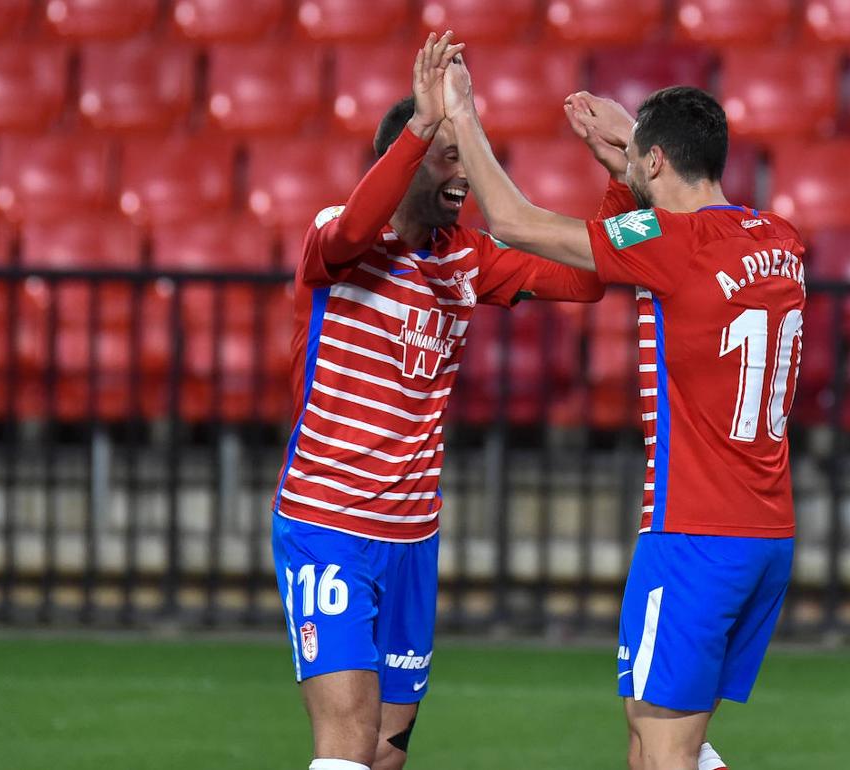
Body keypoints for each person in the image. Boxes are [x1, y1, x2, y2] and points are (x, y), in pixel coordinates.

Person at [270, 31, 629, 770]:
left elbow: (587, 279)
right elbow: (357, 224)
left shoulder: (469, 258)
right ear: (405, 159)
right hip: (329, 523)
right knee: (345, 739)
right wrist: (422, 126)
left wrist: (618, 183)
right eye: (451, 156)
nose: (466, 172)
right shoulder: (341, 243)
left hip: (413, 539)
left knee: (386, 752)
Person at [443, 55, 806, 770]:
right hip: (765, 528)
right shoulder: (781, 240)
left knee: (667, 749)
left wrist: (462, 118)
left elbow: (516, 224)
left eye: (641, 154)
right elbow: (669, 232)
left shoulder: (671, 247)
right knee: (652, 740)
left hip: (694, 532)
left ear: (660, 158)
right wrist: (623, 158)